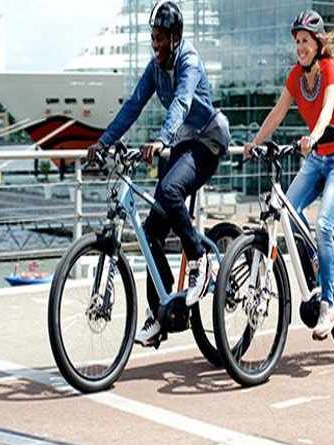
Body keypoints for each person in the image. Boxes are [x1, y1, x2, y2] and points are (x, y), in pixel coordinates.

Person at [87, 0, 230, 347]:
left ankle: (200, 258)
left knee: (168, 191)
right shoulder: (154, 68)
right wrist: (103, 142)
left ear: (176, 37)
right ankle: (163, 311)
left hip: (206, 143)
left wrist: (162, 138)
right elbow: (134, 105)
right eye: (153, 38)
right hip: (179, 144)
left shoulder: (189, 62)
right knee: (150, 233)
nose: (156, 44)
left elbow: (182, 103)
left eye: (162, 38)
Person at [244, 10, 334, 341]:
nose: (300, 47)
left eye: (305, 41)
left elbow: (325, 113)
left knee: (323, 225)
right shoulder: (296, 77)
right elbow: (278, 113)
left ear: (318, 44)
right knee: (287, 215)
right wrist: (254, 142)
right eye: (297, 42)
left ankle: (328, 304)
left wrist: (314, 137)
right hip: (316, 159)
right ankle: (316, 260)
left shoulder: (331, 72)